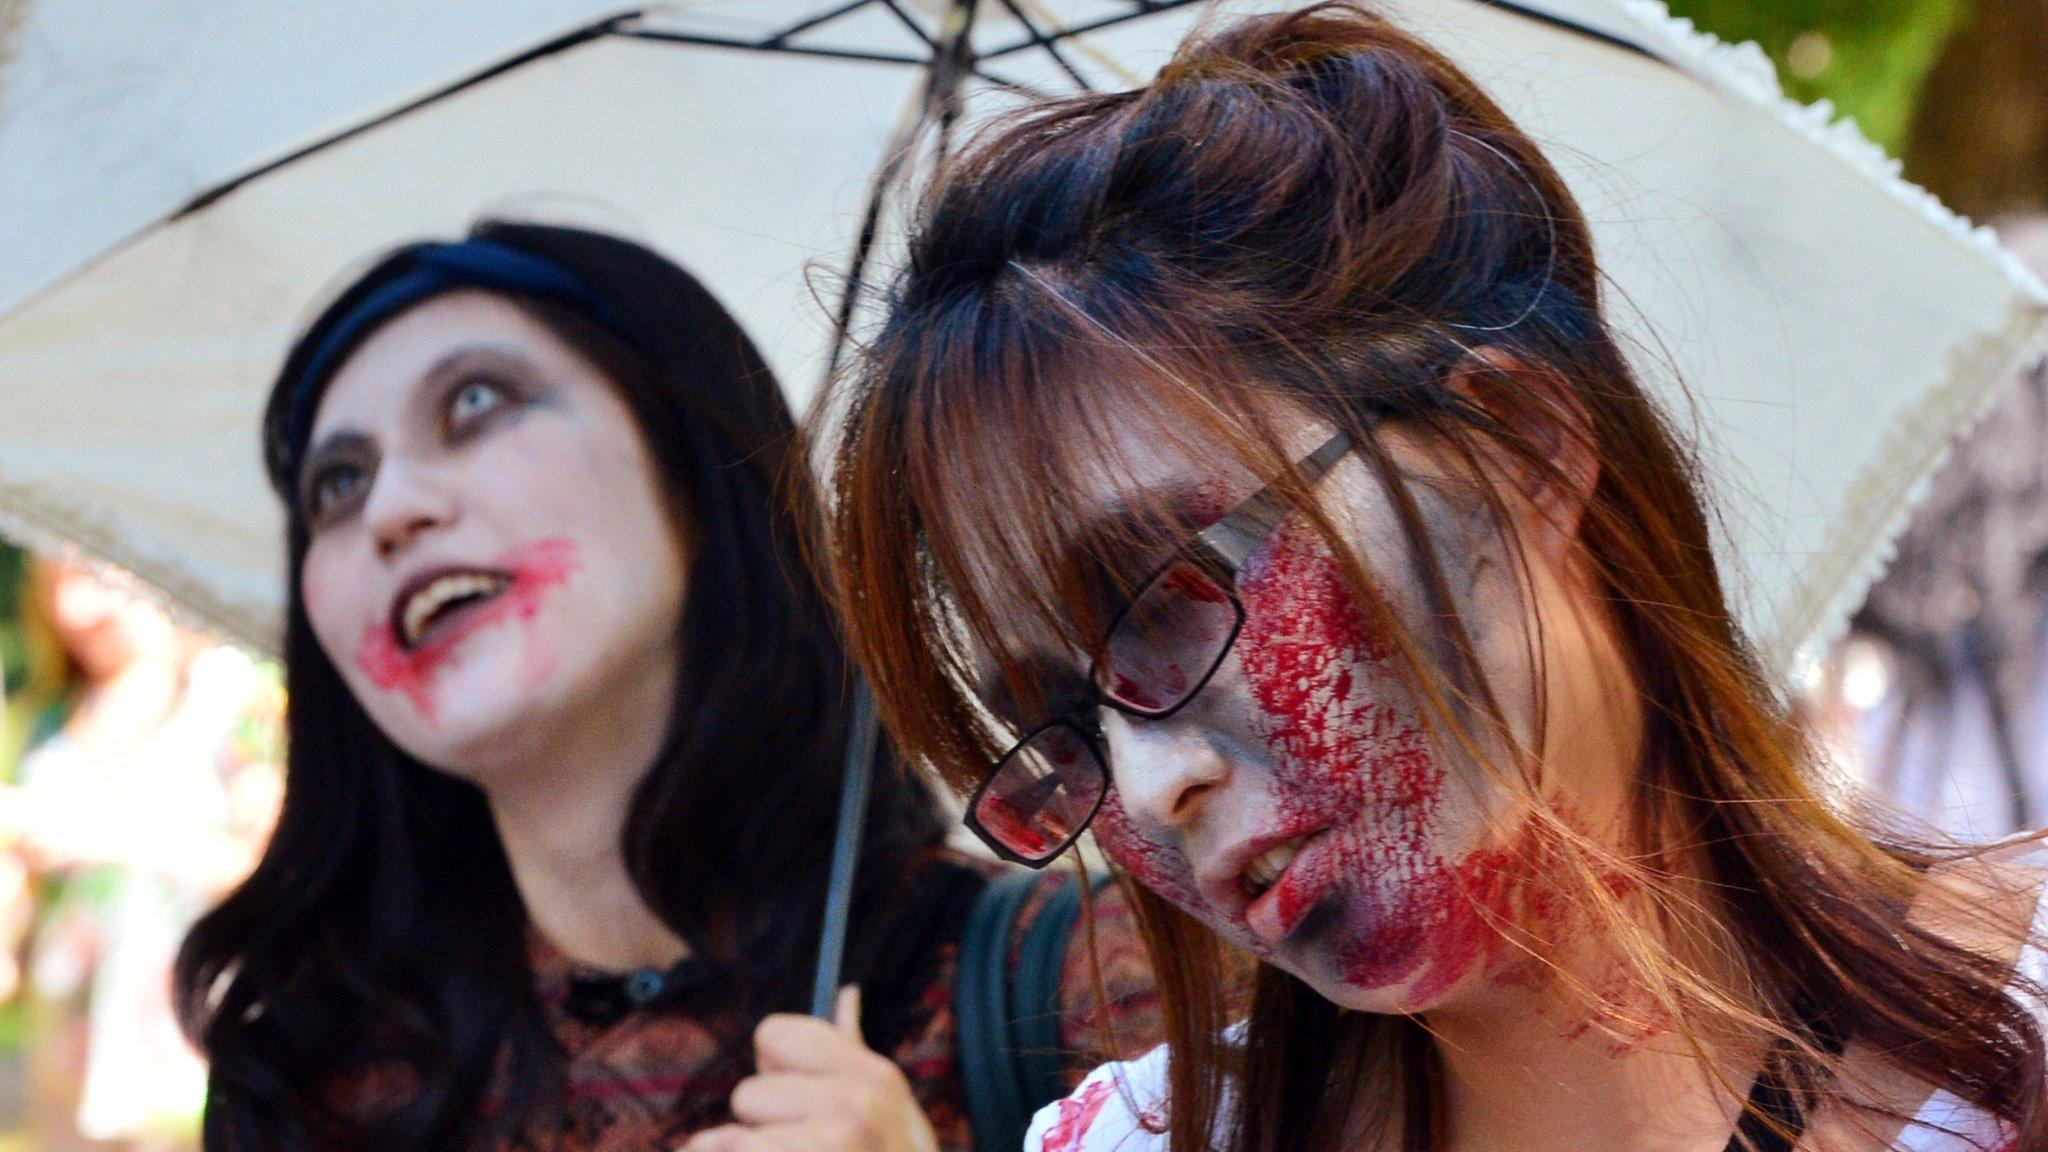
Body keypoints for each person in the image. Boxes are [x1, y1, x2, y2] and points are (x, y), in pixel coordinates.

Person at [820, 6, 2048, 1151]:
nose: (1148, 787)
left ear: (1517, 446)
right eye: (1065, 727)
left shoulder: (2015, 1015)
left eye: (1168, 602)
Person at [174, 222, 1156, 1152]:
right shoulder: (311, 1076)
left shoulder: (1091, 989)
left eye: (474, 402)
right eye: (334, 484)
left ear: (689, 469)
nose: (388, 508)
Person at [10, 553, 281, 1150]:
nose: (76, 611)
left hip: (191, 1067)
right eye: (58, 586)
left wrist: (105, 834)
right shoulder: (55, 720)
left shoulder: (231, 694)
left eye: (93, 578)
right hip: (66, 1073)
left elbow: (275, 871)